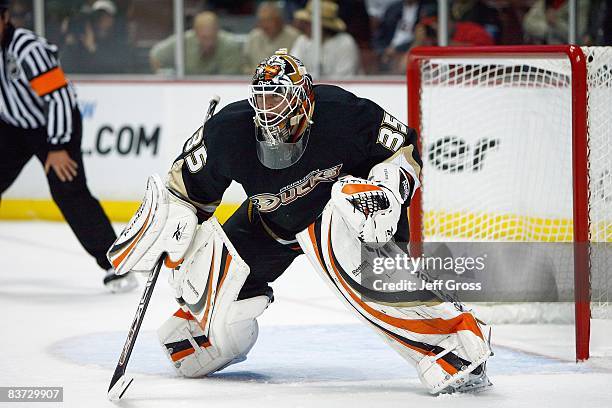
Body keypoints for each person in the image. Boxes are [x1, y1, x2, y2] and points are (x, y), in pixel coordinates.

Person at [108, 49, 493, 394]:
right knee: (212, 300)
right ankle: (205, 334)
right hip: (271, 222)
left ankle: (453, 344)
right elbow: (185, 191)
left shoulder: (345, 112)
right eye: (263, 100)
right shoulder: (230, 130)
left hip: (351, 218)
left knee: (344, 220)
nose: (270, 114)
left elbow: (402, 149)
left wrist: (388, 190)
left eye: (279, 100)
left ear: (305, 100)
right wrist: (176, 222)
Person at [0, 0, 136, 293]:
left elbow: (59, 98)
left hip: (54, 124)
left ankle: (116, 263)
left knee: (68, 190)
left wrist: (58, 145)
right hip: (12, 126)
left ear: (5, 18)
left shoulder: (28, 49)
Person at [149, 11, 242, 75]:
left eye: (212, 37)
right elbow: (156, 54)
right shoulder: (184, 41)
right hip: (187, 88)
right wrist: (162, 74)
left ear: (217, 30)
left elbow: (228, 78)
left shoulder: (230, 45)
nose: (209, 43)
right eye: (204, 38)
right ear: (195, 33)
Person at [291, 0, 360, 77]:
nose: (304, 27)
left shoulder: (345, 43)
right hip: (308, 87)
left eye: (308, 23)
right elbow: (292, 69)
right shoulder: (302, 41)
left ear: (323, 27)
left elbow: (344, 77)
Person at [242, 2, 300, 74]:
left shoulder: (295, 37)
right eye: (262, 21)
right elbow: (244, 65)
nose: (264, 25)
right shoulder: (253, 37)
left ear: (279, 21)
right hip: (255, 81)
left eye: (268, 20)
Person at [522, 0, 589, 44]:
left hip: (568, 53)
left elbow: (577, 36)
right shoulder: (545, 2)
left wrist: (556, 22)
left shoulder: (579, 3)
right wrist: (549, 29)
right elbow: (528, 23)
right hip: (545, 52)